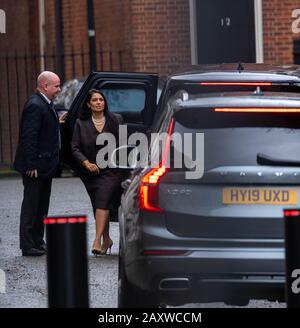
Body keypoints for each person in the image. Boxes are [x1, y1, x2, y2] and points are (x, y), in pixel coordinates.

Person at [13, 71, 64, 256]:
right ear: (45, 86)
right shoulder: (35, 105)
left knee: (42, 205)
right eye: (56, 86)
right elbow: (29, 136)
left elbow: (43, 127)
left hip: (45, 165)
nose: (59, 89)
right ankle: (27, 245)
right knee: (31, 205)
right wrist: (31, 164)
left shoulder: (45, 103)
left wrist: (58, 120)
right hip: (35, 166)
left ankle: (37, 240)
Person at [71, 89, 124, 256]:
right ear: (89, 104)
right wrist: (86, 163)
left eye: (101, 99)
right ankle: (107, 239)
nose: (99, 102)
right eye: (95, 100)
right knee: (100, 203)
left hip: (112, 170)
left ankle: (97, 239)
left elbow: (123, 145)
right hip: (91, 172)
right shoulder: (81, 123)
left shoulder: (116, 119)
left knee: (102, 199)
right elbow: (75, 147)